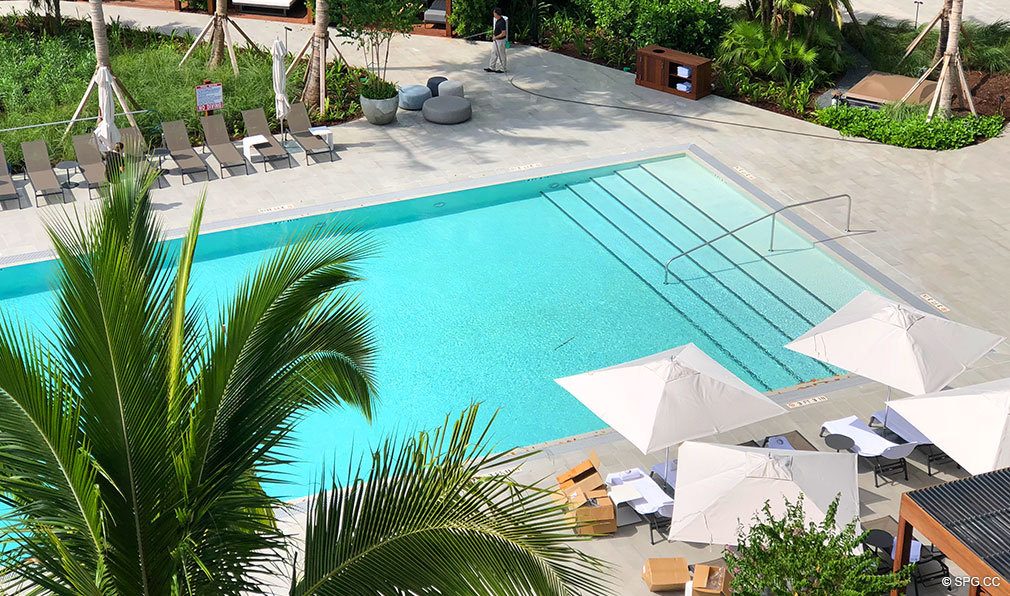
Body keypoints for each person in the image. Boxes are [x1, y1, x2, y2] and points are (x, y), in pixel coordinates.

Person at [484, 7, 507, 74]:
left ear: (497, 13)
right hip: (496, 40)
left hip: (500, 41)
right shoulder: (497, 20)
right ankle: (492, 67)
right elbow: (497, 30)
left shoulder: (502, 22)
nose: (493, 14)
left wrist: (496, 37)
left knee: (501, 55)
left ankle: (502, 68)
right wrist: (494, 36)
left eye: (494, 13)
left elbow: (503, 33)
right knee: (494, 53)